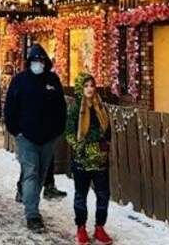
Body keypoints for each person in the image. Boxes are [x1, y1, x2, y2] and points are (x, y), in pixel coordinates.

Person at [4, 44, 67, 233]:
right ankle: (32, 214)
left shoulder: (53, 80)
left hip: (47, 139)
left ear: (45, 62)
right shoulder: (19, 81)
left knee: (40, 174)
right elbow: (9, 108)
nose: (37, 64)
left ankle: (29, 198)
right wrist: (16, 131)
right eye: (34, 60)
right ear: (29, 62)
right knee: (31, 172)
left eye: (40, 60)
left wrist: (57, 131)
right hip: (26, 138)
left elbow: (60, 107)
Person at [66, 74, 113, 245]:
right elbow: (70, 134)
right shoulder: (75, 110)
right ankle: (81, 228)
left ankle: (100, 227)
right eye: (86, 85)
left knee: (103, 195)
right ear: (80, 88)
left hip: (100, 160)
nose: (90, 89)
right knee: (81, 195)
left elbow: (107, 131)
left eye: (92, 85)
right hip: (82, 161)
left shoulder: (100, 107)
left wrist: (106, 143)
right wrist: (82, 147)